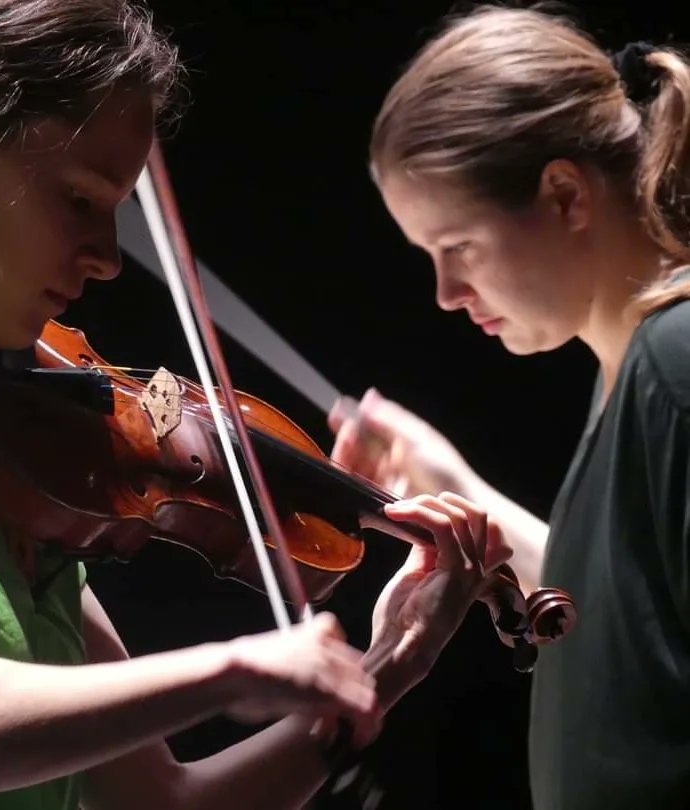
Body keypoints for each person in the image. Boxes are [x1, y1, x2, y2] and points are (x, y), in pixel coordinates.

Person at [0, 2, 513, 808]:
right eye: (81, 200)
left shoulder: (0, 447)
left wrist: (392, 666)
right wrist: (233, 669)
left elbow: (164, 803)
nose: (109, 258)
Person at [330, 5, 690, 810]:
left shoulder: (675, 364)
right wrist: (458, 484)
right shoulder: (630, 375)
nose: (447, 294)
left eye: (458, 248)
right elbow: (627, 624)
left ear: (564, 195)